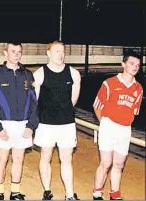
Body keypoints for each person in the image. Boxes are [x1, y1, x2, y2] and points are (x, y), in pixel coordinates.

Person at [0, 42, 39, 200]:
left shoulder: (28, 75)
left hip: (23, 125)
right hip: (4, 125)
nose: (16, 54)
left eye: (19, 52)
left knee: (19, 159)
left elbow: (35, 103)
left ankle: (15, 192)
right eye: (13, 51)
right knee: (2, 158)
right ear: (5, 53)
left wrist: (31, 125)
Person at [33, 40, 81, 200]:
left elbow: (73, 100)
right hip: (46, 124)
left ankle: (69, 195)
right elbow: (35, 101)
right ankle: (47, 191)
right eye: (57, 51)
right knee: (45, 156)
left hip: (66, 124)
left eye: (62, 51)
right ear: (48, 53)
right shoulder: (39, 74)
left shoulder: (74, 73)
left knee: (66, 159)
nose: (61, 55)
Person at [92, 53, 143, 200]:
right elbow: (97, 106)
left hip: (125, 128)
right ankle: (97, 192)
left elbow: (134, 111)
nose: (135, 67)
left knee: (119, 164)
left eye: (138, 65)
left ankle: (114, 194)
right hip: (108, 126)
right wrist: (105, 124)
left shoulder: (138, 88)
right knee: (106, 162)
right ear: (123, 64)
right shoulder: (109, 83)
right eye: (132, 63)